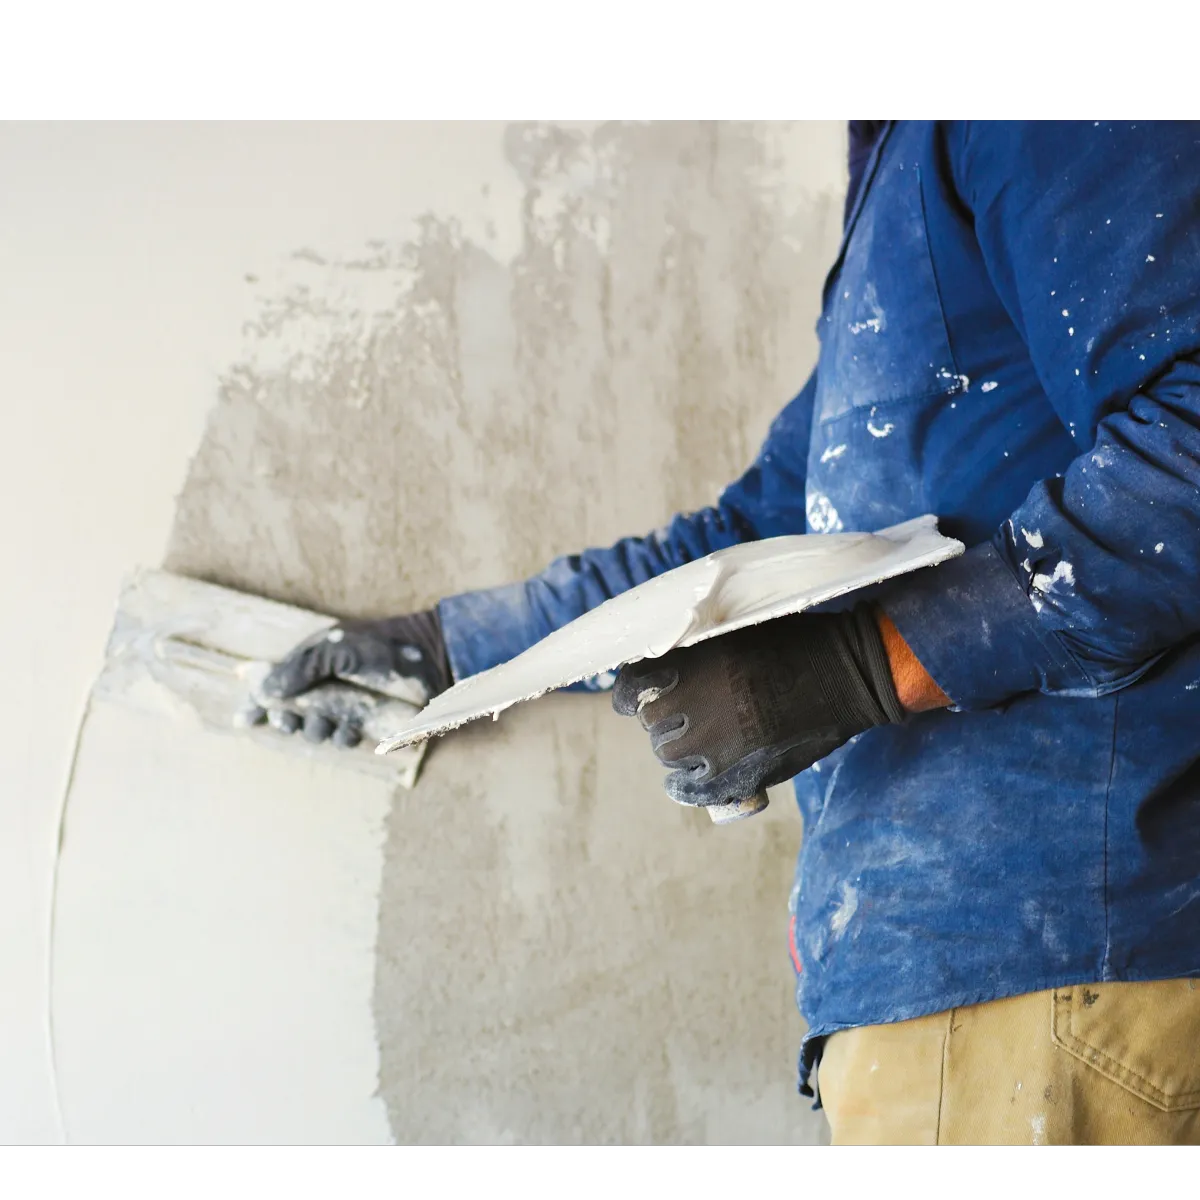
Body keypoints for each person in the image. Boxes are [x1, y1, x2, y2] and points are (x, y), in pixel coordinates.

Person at [255, 121, 1200, 1146]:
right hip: (982, 996)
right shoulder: (901, 178)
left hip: (1058, 962)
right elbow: (753, 536)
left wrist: (861, 669)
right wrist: (451, 653)